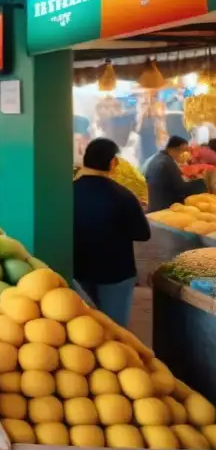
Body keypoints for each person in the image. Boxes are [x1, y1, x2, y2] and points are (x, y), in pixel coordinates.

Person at [73, 138, 151, 327]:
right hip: (115, 273)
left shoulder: (67, 192)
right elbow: (143, 234)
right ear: (112, 163)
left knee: (84, 329)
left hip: (78, 270)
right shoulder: (123, 195)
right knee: (114, 330)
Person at [143, 135, 207, 212]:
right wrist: (202, 182)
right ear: (176, 149)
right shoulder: (167, 163)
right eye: (183, 151)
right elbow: (181, 190)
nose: (184, 156)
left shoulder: (156, 159)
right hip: (164, 209)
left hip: (153, 206)